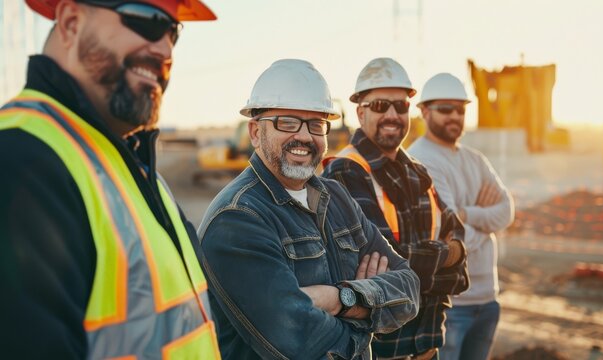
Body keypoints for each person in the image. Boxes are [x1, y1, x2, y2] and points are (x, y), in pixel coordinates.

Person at [0, 0, 221, 358]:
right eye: (147, 20)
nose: (165, 50)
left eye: (173, 32)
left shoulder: (129, 166)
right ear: (71, 23)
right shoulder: (20, 162)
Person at [197, 59, 420, 359]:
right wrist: (366, 321)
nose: (304, 136)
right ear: (254, 132)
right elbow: (299, 343)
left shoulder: (336, 197)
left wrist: (341, 298)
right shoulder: (237, 219)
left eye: (316, 124)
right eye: (287, 122)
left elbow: (409, 288)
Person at [322, 58, 470, 360]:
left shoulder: (418, 172)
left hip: (427, 348)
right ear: (361, 112)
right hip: (380, 351)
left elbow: (461, 259)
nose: (392, 114)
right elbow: (377, 266)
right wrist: (444, 259)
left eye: (400, 106)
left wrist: (417, 268)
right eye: (380, 105)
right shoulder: (346, 172)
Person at [408, 73, 515, 360]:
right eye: (445, 109)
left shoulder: (475, 159)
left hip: (488, 300)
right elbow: (447, 234)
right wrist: (481, 224)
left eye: (460, 109)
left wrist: (467, 214)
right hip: (451, 305)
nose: (455, 115)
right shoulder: (420, 160)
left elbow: (506, 211)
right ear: (425, 111)